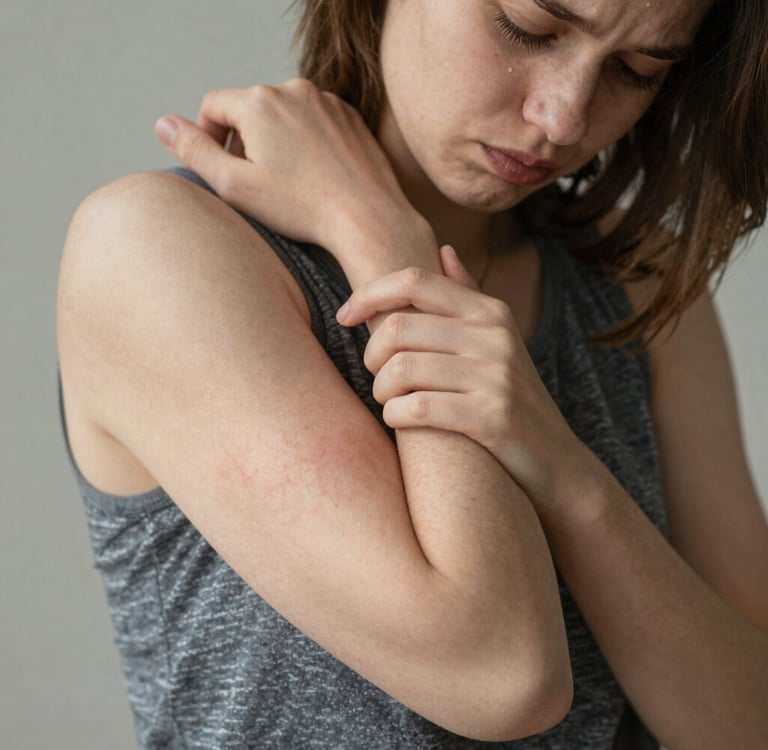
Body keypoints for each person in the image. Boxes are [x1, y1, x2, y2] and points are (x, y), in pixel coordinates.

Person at [57, 0, 768, 748]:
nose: (562, 118)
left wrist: (563, 467)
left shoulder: (635, 282)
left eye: (634, 70)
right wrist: (389, 243)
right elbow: (503, 676)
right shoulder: (157, 249)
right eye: (528, 26)